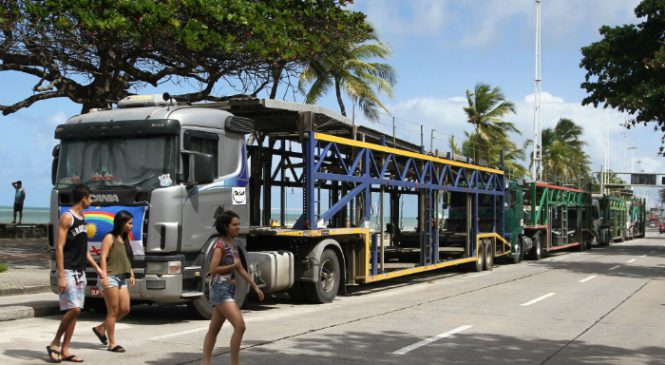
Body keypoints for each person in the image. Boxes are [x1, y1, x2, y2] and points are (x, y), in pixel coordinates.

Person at [47, 184, 105, 363]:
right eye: (90, 198)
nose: (92, 201)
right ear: (83, 198)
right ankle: (55, 343)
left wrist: (96, 267)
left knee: (75, 312)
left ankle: (65, 349)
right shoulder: (67, 217)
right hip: (69, 271)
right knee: (75, 309)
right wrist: (62, 274)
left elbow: (83, 249)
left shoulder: (83, 218)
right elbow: (59, 247)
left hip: (81, 272)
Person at [202, 211, 264, 365]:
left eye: (238, 224)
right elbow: (213, 269)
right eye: (234, 225)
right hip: (220, 290)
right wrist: (232, 265)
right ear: (225, 226)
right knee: (240, 326)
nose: (238, 227)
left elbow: (241, 269)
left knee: (214, 328)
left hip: (229, 290)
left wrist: (255, 286)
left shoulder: (234, 245)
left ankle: (205, 362)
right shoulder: (220, 245)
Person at [92, 210, 135, 353]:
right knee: (113, 311)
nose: (131, 226)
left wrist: (132, 273)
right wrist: (103, 277)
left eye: (132, 223)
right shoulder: (109, 237)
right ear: (121, 222)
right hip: (109, 277)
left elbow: (125, 258)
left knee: (125, 309)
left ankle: (101, 328)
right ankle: (112, 343)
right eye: (129, 223)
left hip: (121, 277)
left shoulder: (124, 238)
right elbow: (103, 257)